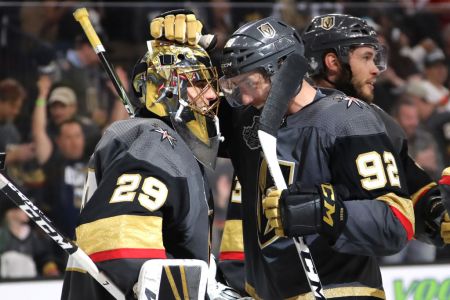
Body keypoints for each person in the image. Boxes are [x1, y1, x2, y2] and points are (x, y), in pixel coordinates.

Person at [151, 14, 414, 299]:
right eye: (237, 88)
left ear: (283, 70)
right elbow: (181, 115)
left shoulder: (349, 119)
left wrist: (324, 211)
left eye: (250, 83)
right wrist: (173, 45)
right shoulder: (246, 118)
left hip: (342, 291)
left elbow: (396, 222)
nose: (246, 98)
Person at [60, 40, 223, 299]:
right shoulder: (155, 142)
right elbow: (119, 249)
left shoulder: (151, 138)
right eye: (199, 84)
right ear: (166, 90)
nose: (213, 94)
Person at [301, 13, 450, 250]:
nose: (376, 70)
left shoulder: (377, 118)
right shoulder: (286, 114)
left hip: (345, 275)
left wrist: (436, 213)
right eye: (366, 58)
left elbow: (408, 185)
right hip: (285, 273)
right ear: (333, 62)